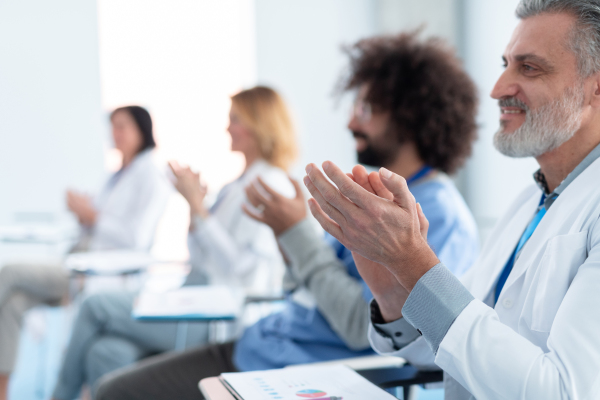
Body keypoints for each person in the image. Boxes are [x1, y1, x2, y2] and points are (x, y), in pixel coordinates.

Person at [91, 32, 480, 400]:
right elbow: (310, 286)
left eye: (365, 109)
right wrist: (287, 240)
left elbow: (360, 326)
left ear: (410, 115)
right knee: (109, 352)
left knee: (113, 388)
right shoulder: (379, 197)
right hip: (266, 344)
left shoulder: (438, 216)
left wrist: (296, 234)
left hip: (294, 370)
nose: (349, 123)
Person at [304, 1, 600, 399]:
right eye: (505, 64)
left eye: (529, 68)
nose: (497, 90)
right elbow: (457, 345)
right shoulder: (529, 203)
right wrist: (394, 292)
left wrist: (413, 263)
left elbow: (564, 392)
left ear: (594, 87)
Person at [50, 86, 298, 400]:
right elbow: (199, 257)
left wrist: (199, 211)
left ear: (259, 124)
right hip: (195, 298)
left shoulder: (269, 184)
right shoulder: (236, 184)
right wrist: (195, 211)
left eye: (235, 119)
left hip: (218, 315)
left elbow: (243, 269)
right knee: (106, 351)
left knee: (94, 305)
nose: (227, 127)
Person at [0, 105, 171, 400]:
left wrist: (93, 216)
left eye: (122, 127)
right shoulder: (116, 175)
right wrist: (84, 215)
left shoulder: (151, 176)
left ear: (142, 130)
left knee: (9, 273)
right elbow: (98, 224)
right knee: (14, 303)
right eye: (112, 126)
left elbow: (136, 238)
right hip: (82, 259)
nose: (115, 134)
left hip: (103, 273)